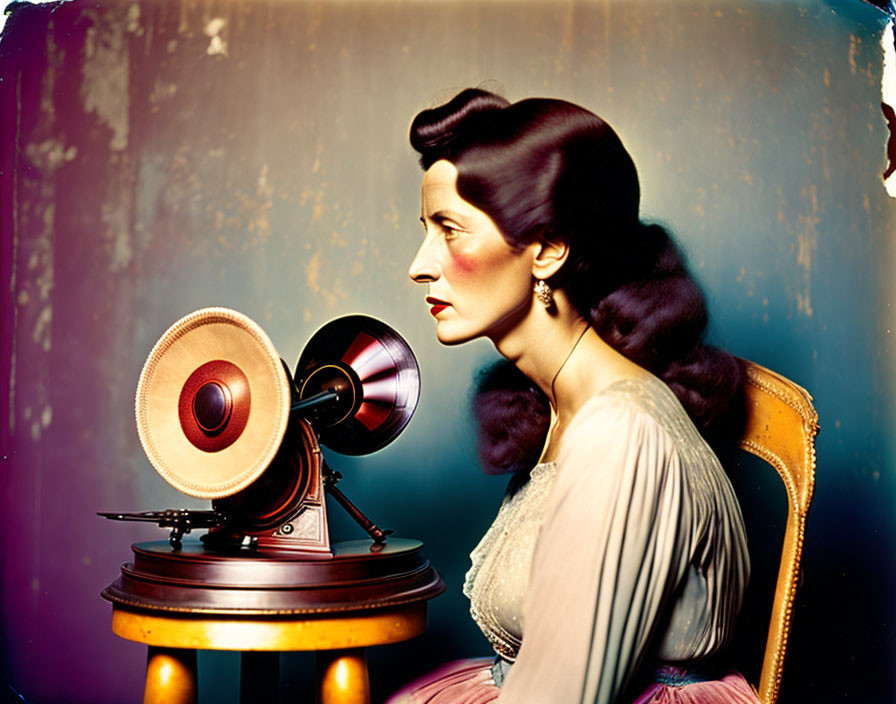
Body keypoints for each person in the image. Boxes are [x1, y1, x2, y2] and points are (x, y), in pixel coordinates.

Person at [388, 88, 760, 704]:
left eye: (450, 231)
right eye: (426, 230)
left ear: (549, 250)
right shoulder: (565, 406)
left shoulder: (622, 432)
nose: (420, 265)